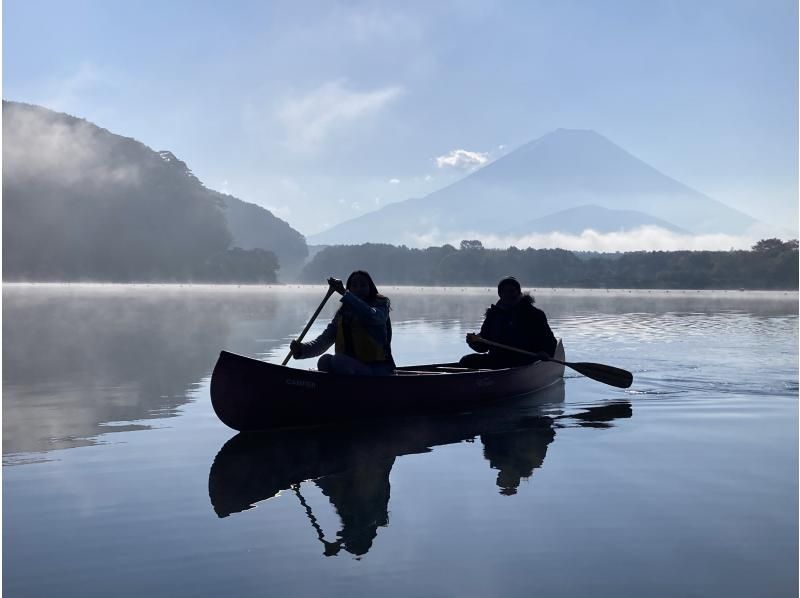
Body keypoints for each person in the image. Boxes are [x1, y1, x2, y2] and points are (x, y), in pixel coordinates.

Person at [290, 271, 394, 375]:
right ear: (350, 289)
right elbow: (323, 341)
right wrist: (301, 350)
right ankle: (337, 389)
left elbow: (371, 316)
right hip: (352, 368)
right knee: (324, 360)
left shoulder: (381, 307)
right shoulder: (343, 313)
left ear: (370, 288)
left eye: (363, 285)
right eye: (354, 285)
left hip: (379, 369)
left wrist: (345, 294)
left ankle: (347, 389)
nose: (359, 289)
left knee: (339, 361)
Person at [459, 276, 556, 369]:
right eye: (504, 292)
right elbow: (483, 346)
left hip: (524, 360)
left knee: (518, 365)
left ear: (518, 292)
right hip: (497, 360)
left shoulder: (534, 314)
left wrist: (545, 352)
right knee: (466, 361)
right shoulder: (493, 315)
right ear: (500, 294)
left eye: (512, 291)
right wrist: (474, 342)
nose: (508, 295)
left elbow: (550, 341)